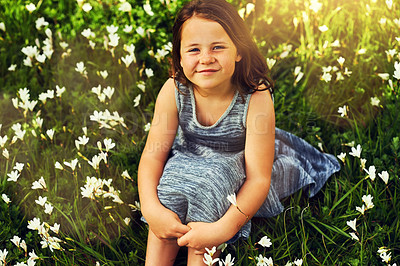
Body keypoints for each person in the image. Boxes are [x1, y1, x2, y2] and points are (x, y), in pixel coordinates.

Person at [137, 0, 340, 265]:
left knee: (212, 185)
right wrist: (152, 211)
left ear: (238, 50)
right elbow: (153, 157)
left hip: (244, 164)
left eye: (218, 47)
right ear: (179, 57)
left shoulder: (254, 96)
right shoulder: (173, 90)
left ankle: (202, 253)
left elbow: (258, 179)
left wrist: (223, 229)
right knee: (170, 186)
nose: (206, 58)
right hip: (191, 158)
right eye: (194, 49)